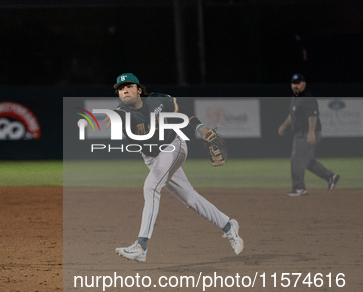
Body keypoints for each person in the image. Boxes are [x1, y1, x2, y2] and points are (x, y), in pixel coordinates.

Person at [106, 73, 244, 262]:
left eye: (129, 86)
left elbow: (183, 110)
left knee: (151, 187)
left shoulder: (158, 100)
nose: (125, 91)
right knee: (190, 198)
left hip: (173, 147)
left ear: (139, 89)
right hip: (152, 158)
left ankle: (141, 246)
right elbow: (120, 116)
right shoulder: (121, 112)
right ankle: (228, 226)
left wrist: (201, 127)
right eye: (121, 89)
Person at [278, 73, 339, 196]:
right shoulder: (295, 98)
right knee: (307, 161)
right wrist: (284, 125)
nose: (296, 86)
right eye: (294, 83)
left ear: (304, 84)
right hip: (300, 133)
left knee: (297, 159)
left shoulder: (307, 98)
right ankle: (330, 177)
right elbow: (292, 115)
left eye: (298, 83)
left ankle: (299, 188)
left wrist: (311, 132)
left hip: (307, 132)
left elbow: (313, 116)